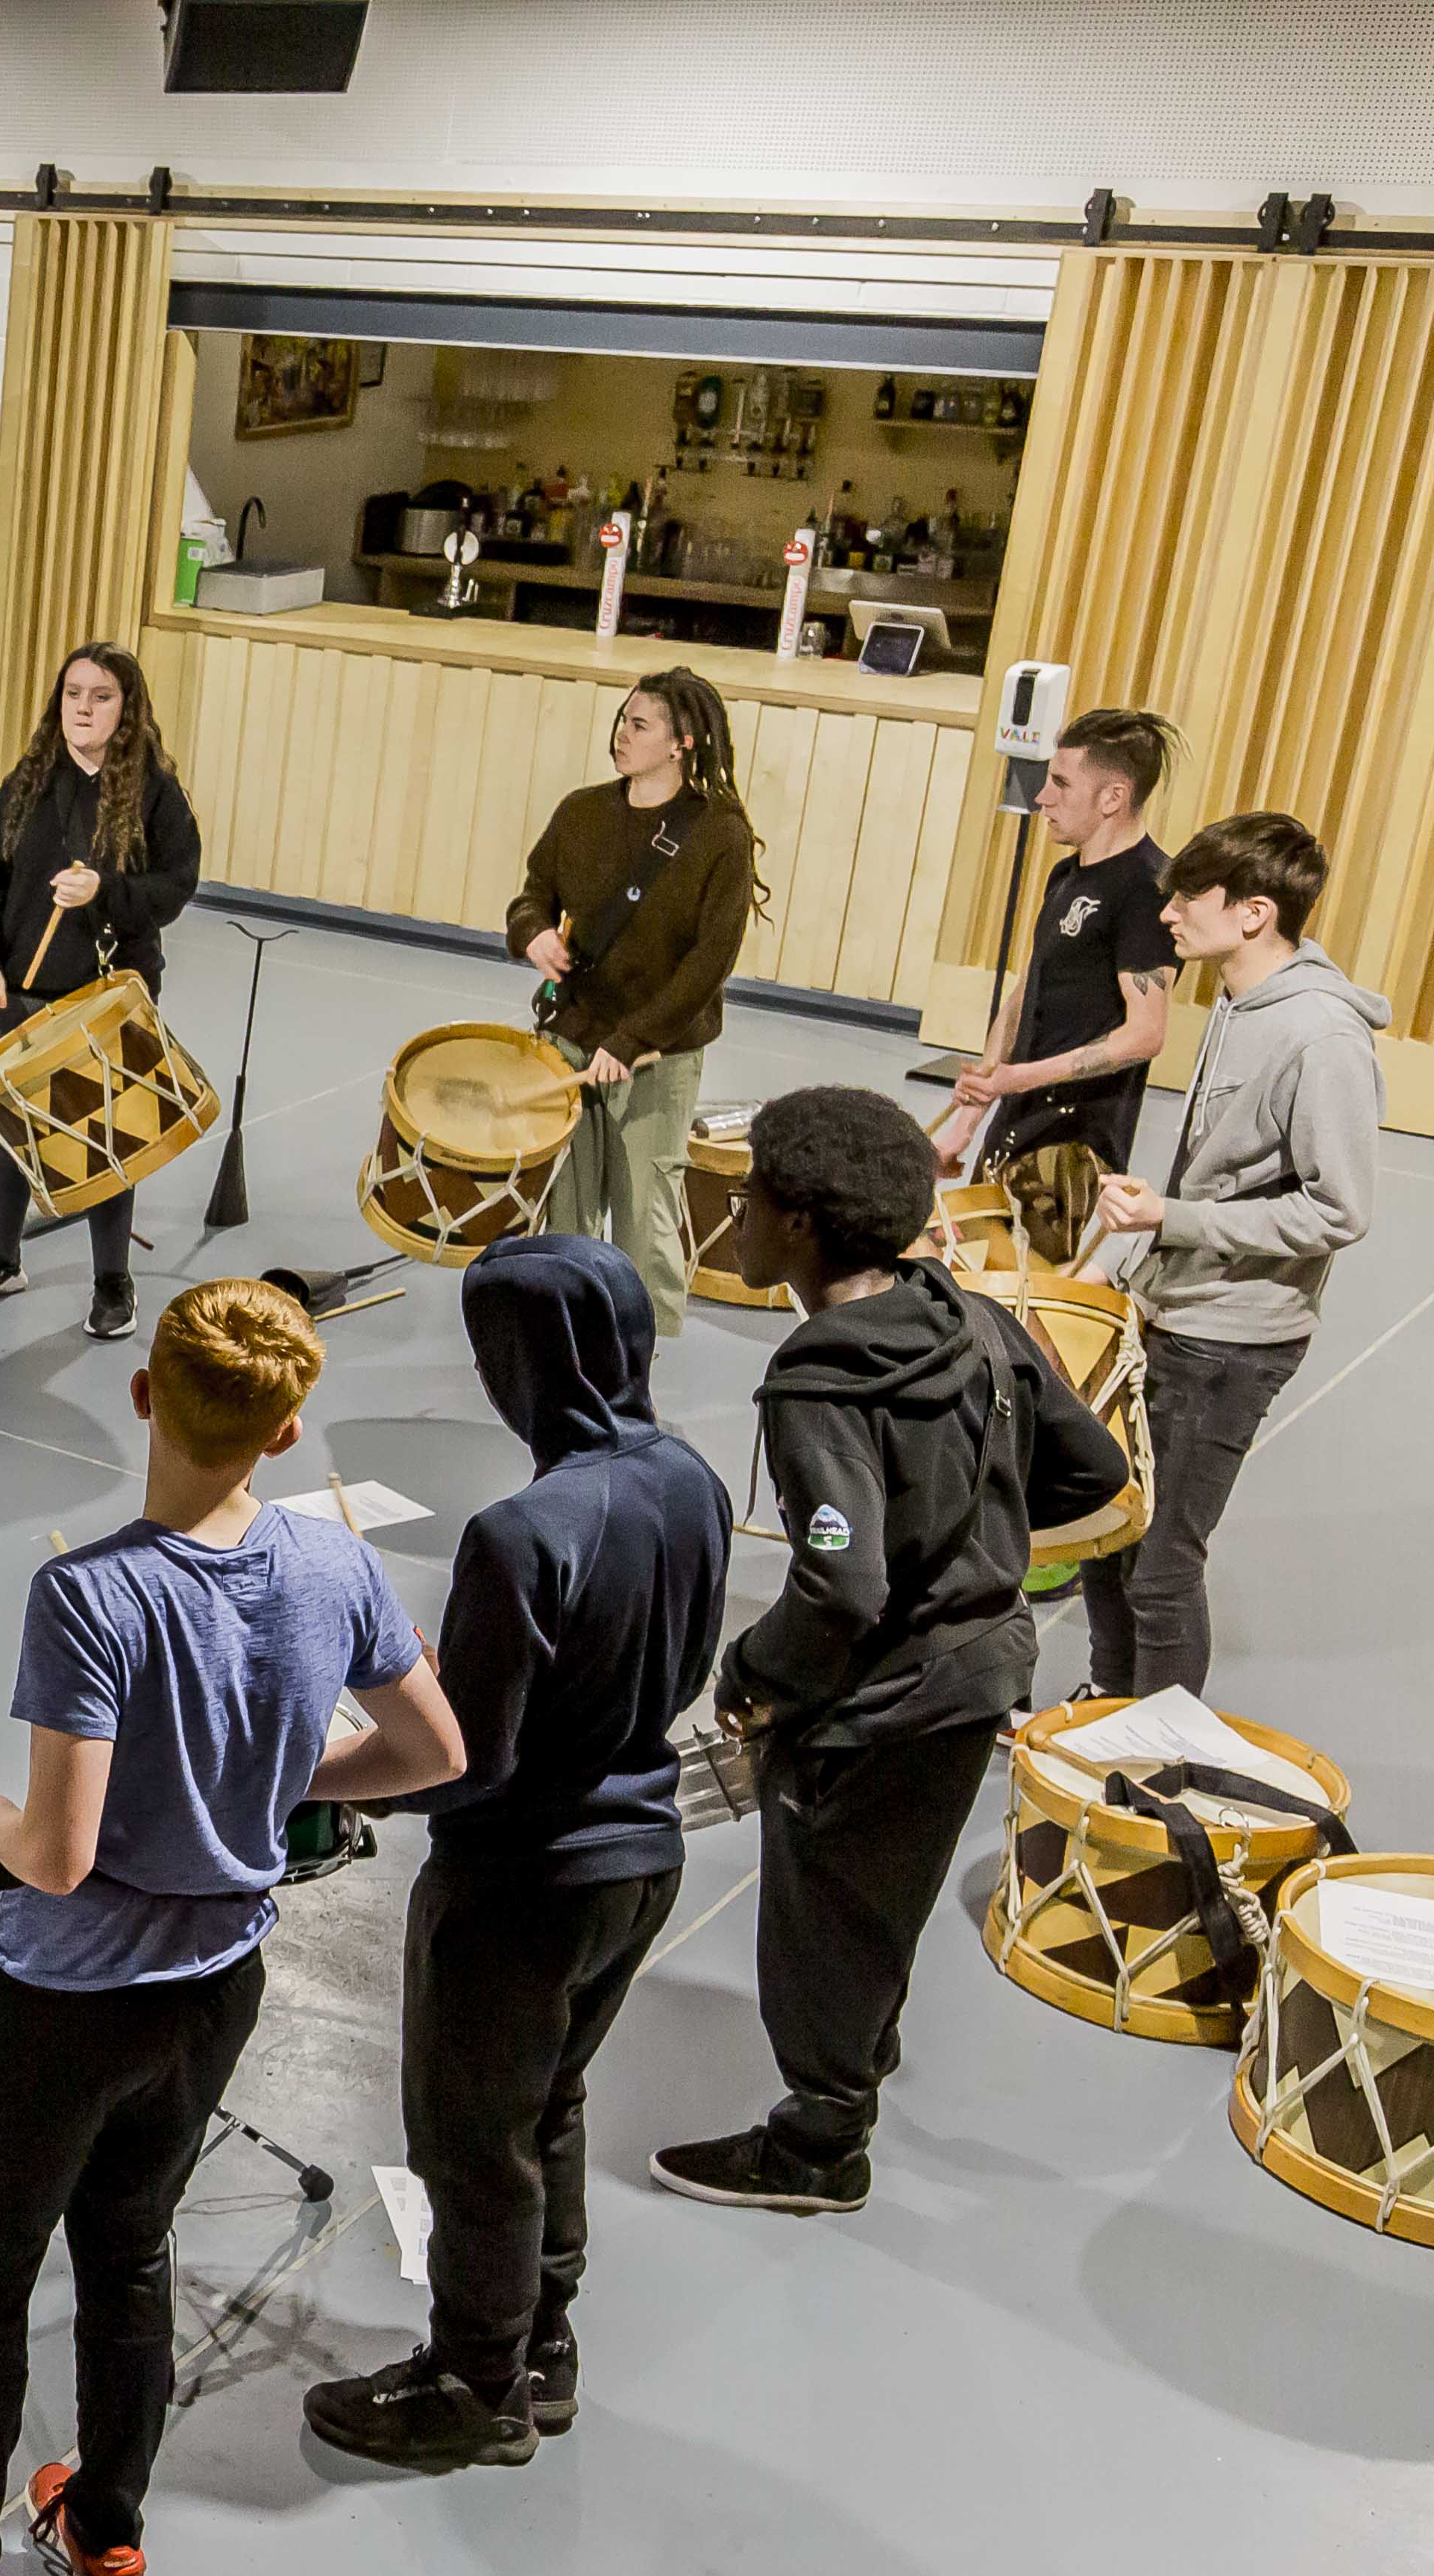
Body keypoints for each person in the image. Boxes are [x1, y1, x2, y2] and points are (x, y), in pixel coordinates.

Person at [0, 1279, 460, 2576]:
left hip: (57, 2000)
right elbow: (430, 1752)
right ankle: (105, 2533)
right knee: (130, 2253)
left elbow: (52, 1855)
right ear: (287, 1430)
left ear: (139, 1394)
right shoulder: (334, 1564)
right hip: (216, 1982)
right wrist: (286, 1770)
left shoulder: (89, 1593)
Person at [651, 1087, 1127, 2217]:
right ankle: (861, 2050)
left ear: (802, 1225)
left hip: (883, 1700)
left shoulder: (820, 1378)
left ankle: (820, 2145)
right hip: (982, 1672)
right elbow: (1098, 1472)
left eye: (755, 1194)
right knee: (885, 1900)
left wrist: (752, 1675)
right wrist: (973, 1532)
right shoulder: (967, 1315)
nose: (741, 1212)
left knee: (819, 1920)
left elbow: (842, 1582)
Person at [302, 1235, 729, 2472]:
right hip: (639, 1856)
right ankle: (541, 2346)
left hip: (514, 1880)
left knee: (467, 2138)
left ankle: (468, 2382)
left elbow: (461, 1762)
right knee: (546, 2103)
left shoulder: (518, 1529)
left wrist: (314, 1772)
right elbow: (676, 1660)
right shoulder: (687, 1479)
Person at [1078, 814, 1380, 1700]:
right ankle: (1107, 1717)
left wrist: (1173, 1216)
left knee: (1161, 1566)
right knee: (1109, 1535)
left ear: (1253, 913)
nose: (1166, 913)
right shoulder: (1239, 1003)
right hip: (1170, 1308)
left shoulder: (1318, 1036)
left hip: (1231, 1340)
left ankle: (1158, 1757)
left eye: (1186, 897)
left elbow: (1340, 1206)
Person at [0, 643, 203, 1336]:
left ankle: (113, 1281)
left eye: (101, 696)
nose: (83, 708)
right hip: (22, 991)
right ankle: (1, 1258)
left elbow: (177, 884)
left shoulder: (153, 793)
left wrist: (105, 890)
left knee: (110, 1137)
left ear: (128, 708)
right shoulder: (31, 781)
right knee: (8, 1126)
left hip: (106, 999)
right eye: (73, 694)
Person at [505, 668, 761, 1336]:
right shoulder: (582, 811)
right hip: (572, 1037)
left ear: (682, 742)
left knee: (645, 1215)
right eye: (622, 718)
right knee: (567, 1208)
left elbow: (710, 962)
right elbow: (534, 892)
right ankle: (562, 1338)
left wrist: (632, 1039)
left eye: (639, 725)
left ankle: (637, 1358)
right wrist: (531, 932)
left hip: (658, 1055)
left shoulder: (720, 835)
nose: (621, 733)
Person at [933, 710, 1176, 1262]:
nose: (1042, 796)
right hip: (1016, 1120)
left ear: (1113, 797)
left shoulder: (1147, 890)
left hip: (1073, 1146)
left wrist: (1019, 1078)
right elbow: (1027, 992)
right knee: (970, 1277)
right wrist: (970, 1118)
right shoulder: (1066, 874)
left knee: (1017, 1294)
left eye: (1061, 783)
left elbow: (1145, 1034)